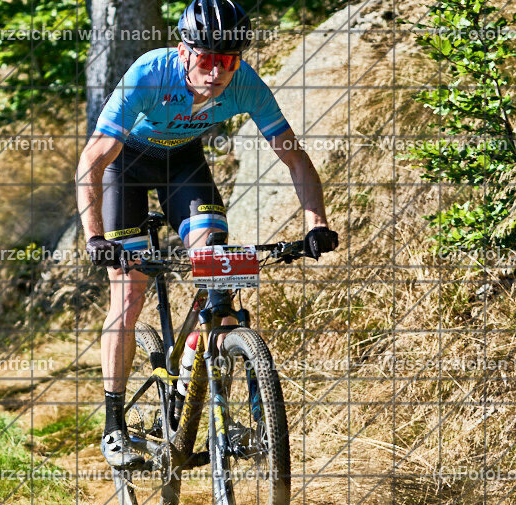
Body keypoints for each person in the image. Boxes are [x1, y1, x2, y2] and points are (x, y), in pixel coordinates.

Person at [76, 0, 338, 468]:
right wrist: (95, 236)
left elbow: (294, 157)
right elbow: (93, 160)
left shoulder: (245, 84)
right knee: (129, 292)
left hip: (183, 164)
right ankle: (114, 422)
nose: (217, 71)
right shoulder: (149, 75)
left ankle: (189, 381)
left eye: (227, 60)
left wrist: (316, 222)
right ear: (183, 50)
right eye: (206, 59)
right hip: (126, 167)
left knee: (217, 266)